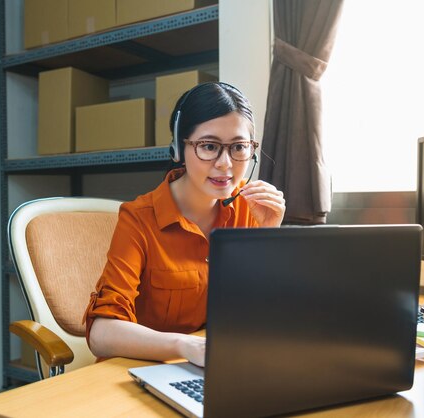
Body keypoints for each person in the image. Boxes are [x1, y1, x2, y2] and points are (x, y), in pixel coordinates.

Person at [85, 82, 285, 367]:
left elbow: (256, 314)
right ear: (179, 147)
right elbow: (101, 333)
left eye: (239, 147)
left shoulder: (249, 209)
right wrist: (184, 345)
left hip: (212, 368)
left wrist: (268, 236)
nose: (226, 164)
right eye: (209, 146)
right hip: (139, 371)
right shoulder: (139, 218)